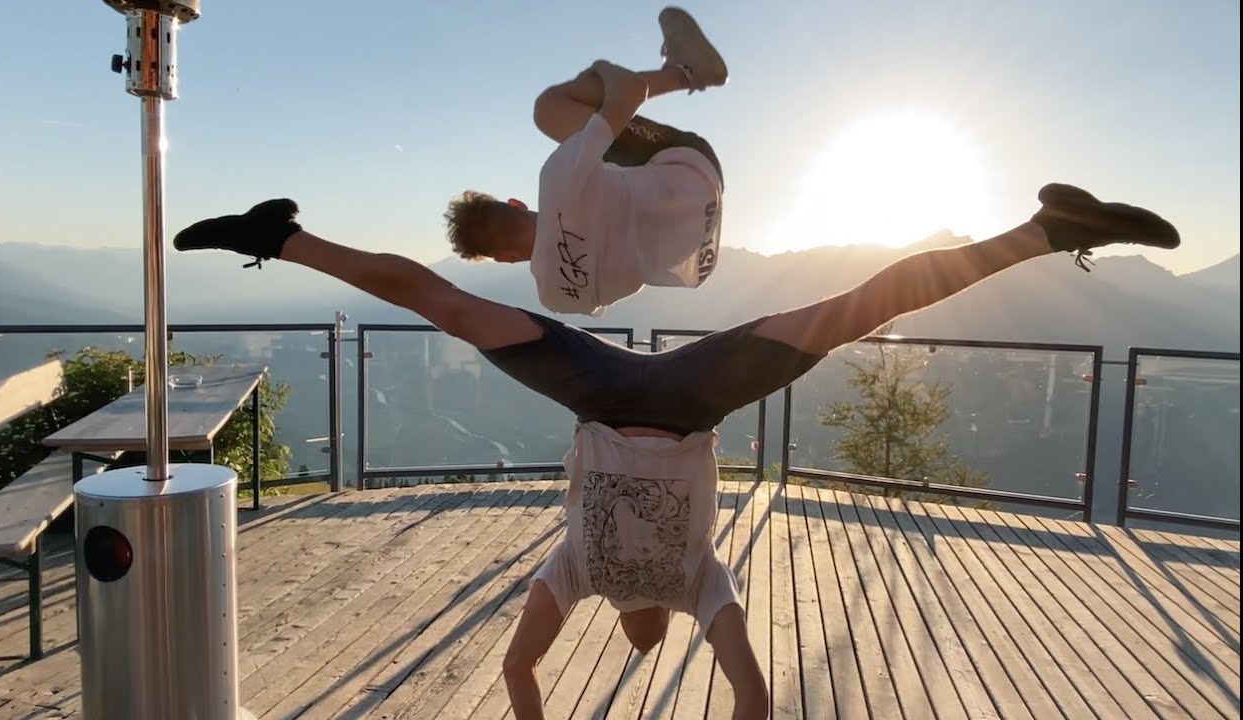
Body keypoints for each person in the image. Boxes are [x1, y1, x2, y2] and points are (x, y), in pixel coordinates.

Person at [172, 183, 1178, 719]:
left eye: (638, 638)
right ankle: (1043, 230)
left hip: (611, 394)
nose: (643, 639)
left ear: (631, 624)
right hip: (679, 400)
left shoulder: (585, 577)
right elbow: (747, 697)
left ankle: (282, 236)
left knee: (444, 303)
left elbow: (525, 676)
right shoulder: (694, 585)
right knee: (863, 305)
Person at [441, 6, 730, 317]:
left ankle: (683, 75)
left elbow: (609, 293)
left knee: (606, 188)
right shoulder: (557, 179)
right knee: (548, 108)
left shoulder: (556, 298)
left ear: (504, 257)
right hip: (693, 171)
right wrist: (598, 69)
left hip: (696, 256)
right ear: (516, 204)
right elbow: (632, 93)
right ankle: (686, 72)